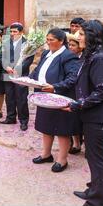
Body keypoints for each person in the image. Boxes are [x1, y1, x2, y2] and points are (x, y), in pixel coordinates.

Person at [68, 20, 103, 206]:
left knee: (99, 161)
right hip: (96, 116)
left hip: (102, 118)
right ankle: (93, 190)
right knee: (93, 158)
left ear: (93, 37)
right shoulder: (92, 55)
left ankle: (96, 201)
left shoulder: (99, 58)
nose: (78, 37)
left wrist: (78, 104)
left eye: (82, 34)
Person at [30, 28, 80, 173]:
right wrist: (27, 79)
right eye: (47, 39)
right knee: (46, 126)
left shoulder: (68, 56)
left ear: (61, 41)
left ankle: (62, 160)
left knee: (61, 129)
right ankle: (46, 154)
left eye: (51, 39)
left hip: (59, 98)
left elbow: (72, 78)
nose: (48, 42)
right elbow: (37, 70)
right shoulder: (46, 53)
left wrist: (55, 87)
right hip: (44, 96)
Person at [0, 22, 34, 131]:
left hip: (20, 75)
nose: (12, 34)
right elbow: (2, 57)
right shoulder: (6, 43)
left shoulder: (28, 44)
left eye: (15, 32)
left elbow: (29, 60)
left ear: (21, 32)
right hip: (8, 74)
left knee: (21, 98)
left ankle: (23, 120)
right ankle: (10, 117)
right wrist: (6, 67)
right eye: (11, 31)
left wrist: (17, 69)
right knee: (9, 97)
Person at [67, 32, 84, 155]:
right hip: (71, 91)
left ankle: (88, 147)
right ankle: (76, 144)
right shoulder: (68, 58)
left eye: (73, 45)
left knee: (84, 121)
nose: (70, 47)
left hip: (83, 93)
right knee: (73, 119)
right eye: (69, 45)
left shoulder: (85, 58)